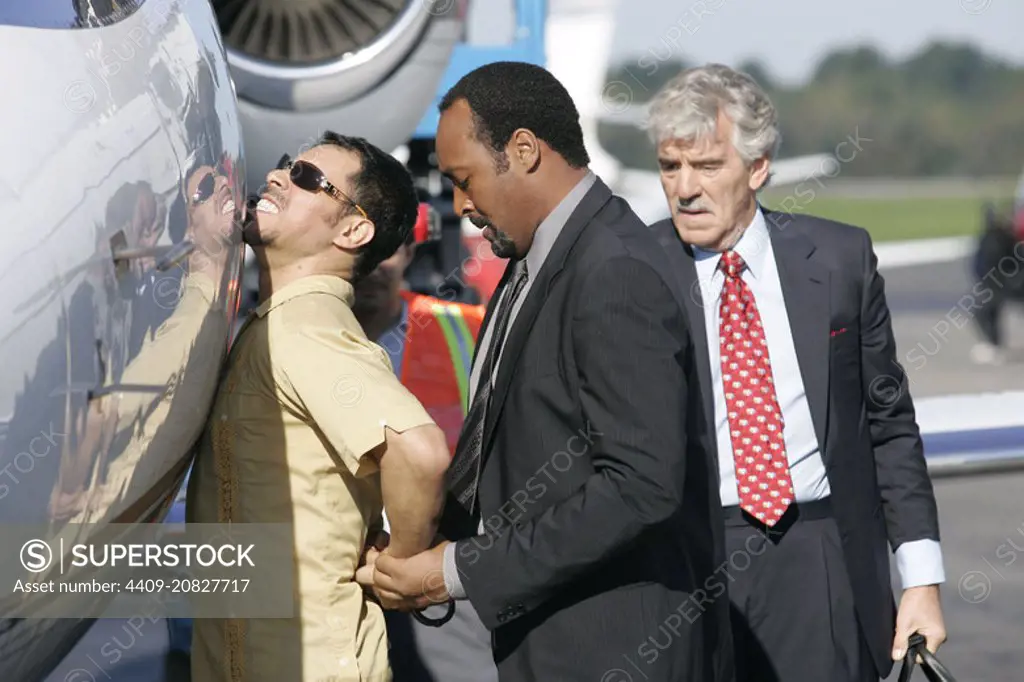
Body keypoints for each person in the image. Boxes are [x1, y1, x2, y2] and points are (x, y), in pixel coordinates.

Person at [358, 61, 731, 682]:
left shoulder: (613, 271)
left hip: (615, 648)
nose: (460, 204)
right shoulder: (535, 260)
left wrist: (455, 570)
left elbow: (640, 487)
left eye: (465, 179)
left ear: (525, 151)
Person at [644, 63, 947, 682]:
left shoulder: (840, 260)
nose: (685, 189)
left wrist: (921, 581)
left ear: (758, 168)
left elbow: (890, 428)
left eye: (707, 166)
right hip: (685, 565)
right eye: (670, 167)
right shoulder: (632, 269)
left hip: (820, 557)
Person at [185, 132, 453, 682]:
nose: (278, 178)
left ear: (354, 230)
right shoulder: (279, 321)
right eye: (285, 166)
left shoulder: (305, 322)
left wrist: (400, 569)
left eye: (308, 178)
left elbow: (420, 450)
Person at [351, 220, 497, 682]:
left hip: (440, 569)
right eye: (363, 251)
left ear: (411, 253)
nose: (373, 267)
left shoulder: (466, 329)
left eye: (388, 250)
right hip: (338, 570)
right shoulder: (290, 338)